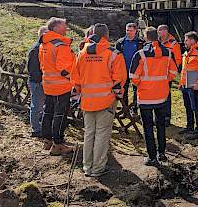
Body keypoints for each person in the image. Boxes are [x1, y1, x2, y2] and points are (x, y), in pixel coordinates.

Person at [71, 23, 127, 177]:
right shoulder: (114, 54)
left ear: (93, 34)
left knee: (89, 133)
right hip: (106, 101)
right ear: (107, 36)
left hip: (87, 101)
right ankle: (98, 168)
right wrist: (118, 95)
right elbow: (120, 79)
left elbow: (75, 78)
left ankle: (87, 167)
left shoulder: (81, 54)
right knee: (102, 134)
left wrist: (78, 96)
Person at [130, 27, 178, 166]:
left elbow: (133, 77)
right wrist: (163, 81)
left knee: (148, 127)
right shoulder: (168, 52)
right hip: (162, 96)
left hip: (145, 97)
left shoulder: (140, 54)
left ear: (145, 37)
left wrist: (143, 84)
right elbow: (174, 72)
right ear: (157, 36)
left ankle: (152, 157)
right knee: (161, 125)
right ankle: (161, 153)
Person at [39, 17, 75, 155]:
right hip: (61, 86)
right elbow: (64, 69)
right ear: (56, 27)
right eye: (64, 25)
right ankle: (58, 144)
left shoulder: (44, 44)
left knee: (48, 112)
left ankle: (47, 141)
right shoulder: (61, 46)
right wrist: (74, 79)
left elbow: (42, 63)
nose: (66, 27)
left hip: (48, 84)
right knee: (60, 114)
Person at [179, 31, 198, 140]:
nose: (184, 42)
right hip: (185, 85)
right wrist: (181, 84)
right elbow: (184, 70)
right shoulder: (188, 52)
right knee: (188, 107)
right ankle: (190, 127)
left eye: (186, 40)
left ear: (192, 40)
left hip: (193, 85)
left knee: (195, 107)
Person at [157, 24, 182, 127]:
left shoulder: (173, 44)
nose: (158, 33)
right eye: (158, 31)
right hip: (156, 74)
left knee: (166, 96)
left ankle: (166, 118)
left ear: (165, 31)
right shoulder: (156, 42)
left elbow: (177, 60)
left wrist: (171, 75)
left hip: (167, 75)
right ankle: (158, 117)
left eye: (160, 31)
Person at [116, 23, 144, 110]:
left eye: (131, 30)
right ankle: (125, 109)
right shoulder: (120, 42)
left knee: (137, 90)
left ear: (135, 31)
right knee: (123, 90)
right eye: (127, 30)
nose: (128, 32)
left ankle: (134, 109)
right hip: (123, 70)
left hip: (137, 71)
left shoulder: (140, 43)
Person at [27, 25, 49, 138]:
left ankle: (39, 126)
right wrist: (40, 80)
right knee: (36, 106)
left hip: (40, 81)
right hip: (37, 82)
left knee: (40, 106)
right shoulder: (36, 49)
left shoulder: (41, 48)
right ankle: (35, 129)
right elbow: (33, 68)